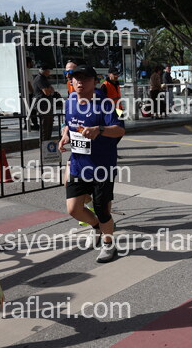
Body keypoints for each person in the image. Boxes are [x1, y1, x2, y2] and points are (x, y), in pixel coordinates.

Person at [58, 65, 126, 263]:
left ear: (95, 82)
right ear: (71, 81)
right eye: (76, 78)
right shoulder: (70, 101)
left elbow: (120, 130)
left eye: (86, 78)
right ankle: (96, 227)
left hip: (101, 166)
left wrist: (100, 129)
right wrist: (65, 136)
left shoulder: (104, 103)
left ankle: (108, 244)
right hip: (78, 164)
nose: (80, 82)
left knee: (103, 210)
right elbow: (69, 124)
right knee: (73, 209)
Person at [32, 63, 55, 141]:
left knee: (49, 124)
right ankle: (43, 143)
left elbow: (52, 89)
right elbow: (47, 92)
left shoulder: (44, 79)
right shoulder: (40, 79)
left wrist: (50, 90)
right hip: (42, 104)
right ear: (44, 71)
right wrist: (50, 90)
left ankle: (47, 142)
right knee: (45, 125)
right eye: (48, 70)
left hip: (47, 103)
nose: (49, 72)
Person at [25, 57, 40, 130]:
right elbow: (28, 83)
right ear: (28, 63)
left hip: (27, 93)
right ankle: (35, 123)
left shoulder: (25, 70)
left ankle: (27, 123)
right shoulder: (27, 71)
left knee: (28, 109)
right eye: (31, 62)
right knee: (32, 109)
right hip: (29, 93)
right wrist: (33, 92)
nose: (32, 63)